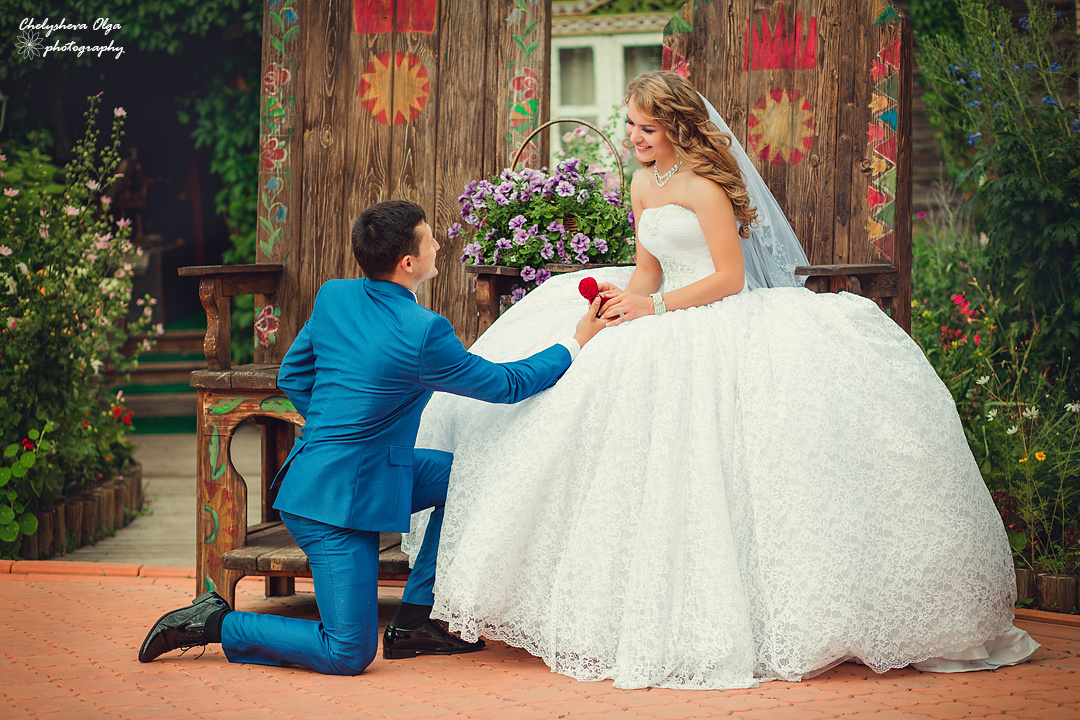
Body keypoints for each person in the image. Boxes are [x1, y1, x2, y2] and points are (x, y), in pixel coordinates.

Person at [406, 72, 1039, 689]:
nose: (634, 138)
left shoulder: (708, 186)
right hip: (660, 314)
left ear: (678, 126)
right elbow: (651, 271)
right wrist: (626, 301)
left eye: (646, 127)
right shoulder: (642, 182)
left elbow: (729, 278)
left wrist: (653, 309)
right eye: (629, 125)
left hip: (717, 317)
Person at [138, 200, 606, 675]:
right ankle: (216, 622)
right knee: (348, 652)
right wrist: (576, 340)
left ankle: (417, 619)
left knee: (471, 476)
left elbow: (295, 377)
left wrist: (334, 430)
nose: (438, 245)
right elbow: (507, 385)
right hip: (328, 511)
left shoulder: (334, 296)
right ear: (409, 262)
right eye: (430, 239)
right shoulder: (423, 333)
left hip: (346, 472)